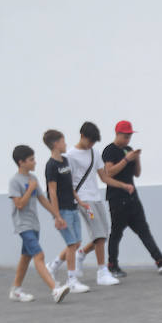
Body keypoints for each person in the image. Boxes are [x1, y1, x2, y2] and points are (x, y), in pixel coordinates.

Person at [102, 119, 162, 277]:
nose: (128, 139)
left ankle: (160, 260)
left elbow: (137, 174)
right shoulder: (109, 151)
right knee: (116, 233)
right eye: (125, 136)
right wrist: (126, 160)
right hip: (117, 199)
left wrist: (136, 159)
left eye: (130, 136)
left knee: (144, 230)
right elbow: (109, 172)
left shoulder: (128, 150)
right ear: (117, 134)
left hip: (132, 198)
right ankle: (112, 265)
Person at [7, 144, 71, 304]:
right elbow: (19, 204)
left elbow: (43, 199)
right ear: (21, 162)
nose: (35, 162)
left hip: (34, 225)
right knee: (39, 255)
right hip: (23, 225)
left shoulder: (33, 179)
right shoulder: (14, 181)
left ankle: (16, 290)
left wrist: (57, 216)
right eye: (31, 159)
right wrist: (30, 189)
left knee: (26, 257)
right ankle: (55, 289)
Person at [66, 122, 119, 287]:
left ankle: (81, 253)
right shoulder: (70, 156)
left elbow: (103, 177)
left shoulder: (94, 152)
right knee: (99, 235)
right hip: (83, 200)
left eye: (93, 142)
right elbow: (68, 182)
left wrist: (123, 186)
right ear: (82, 136)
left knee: (104, 233)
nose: (91, 145)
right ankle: (102, 272)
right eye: (89, 141)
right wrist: (78, 200)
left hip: (96, 197)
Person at [41, 129, 90, 294]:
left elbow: (70, 186)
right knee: (71, 245)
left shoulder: (65, 161)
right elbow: (52, 192)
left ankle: (52, 266)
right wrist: (57, 215)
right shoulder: (51, 166)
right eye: (63, 141)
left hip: (73, 206)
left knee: (76, 243)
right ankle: (72, 281)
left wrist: (80, 201)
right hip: (62, 210)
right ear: (56, 144)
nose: (66, 144)